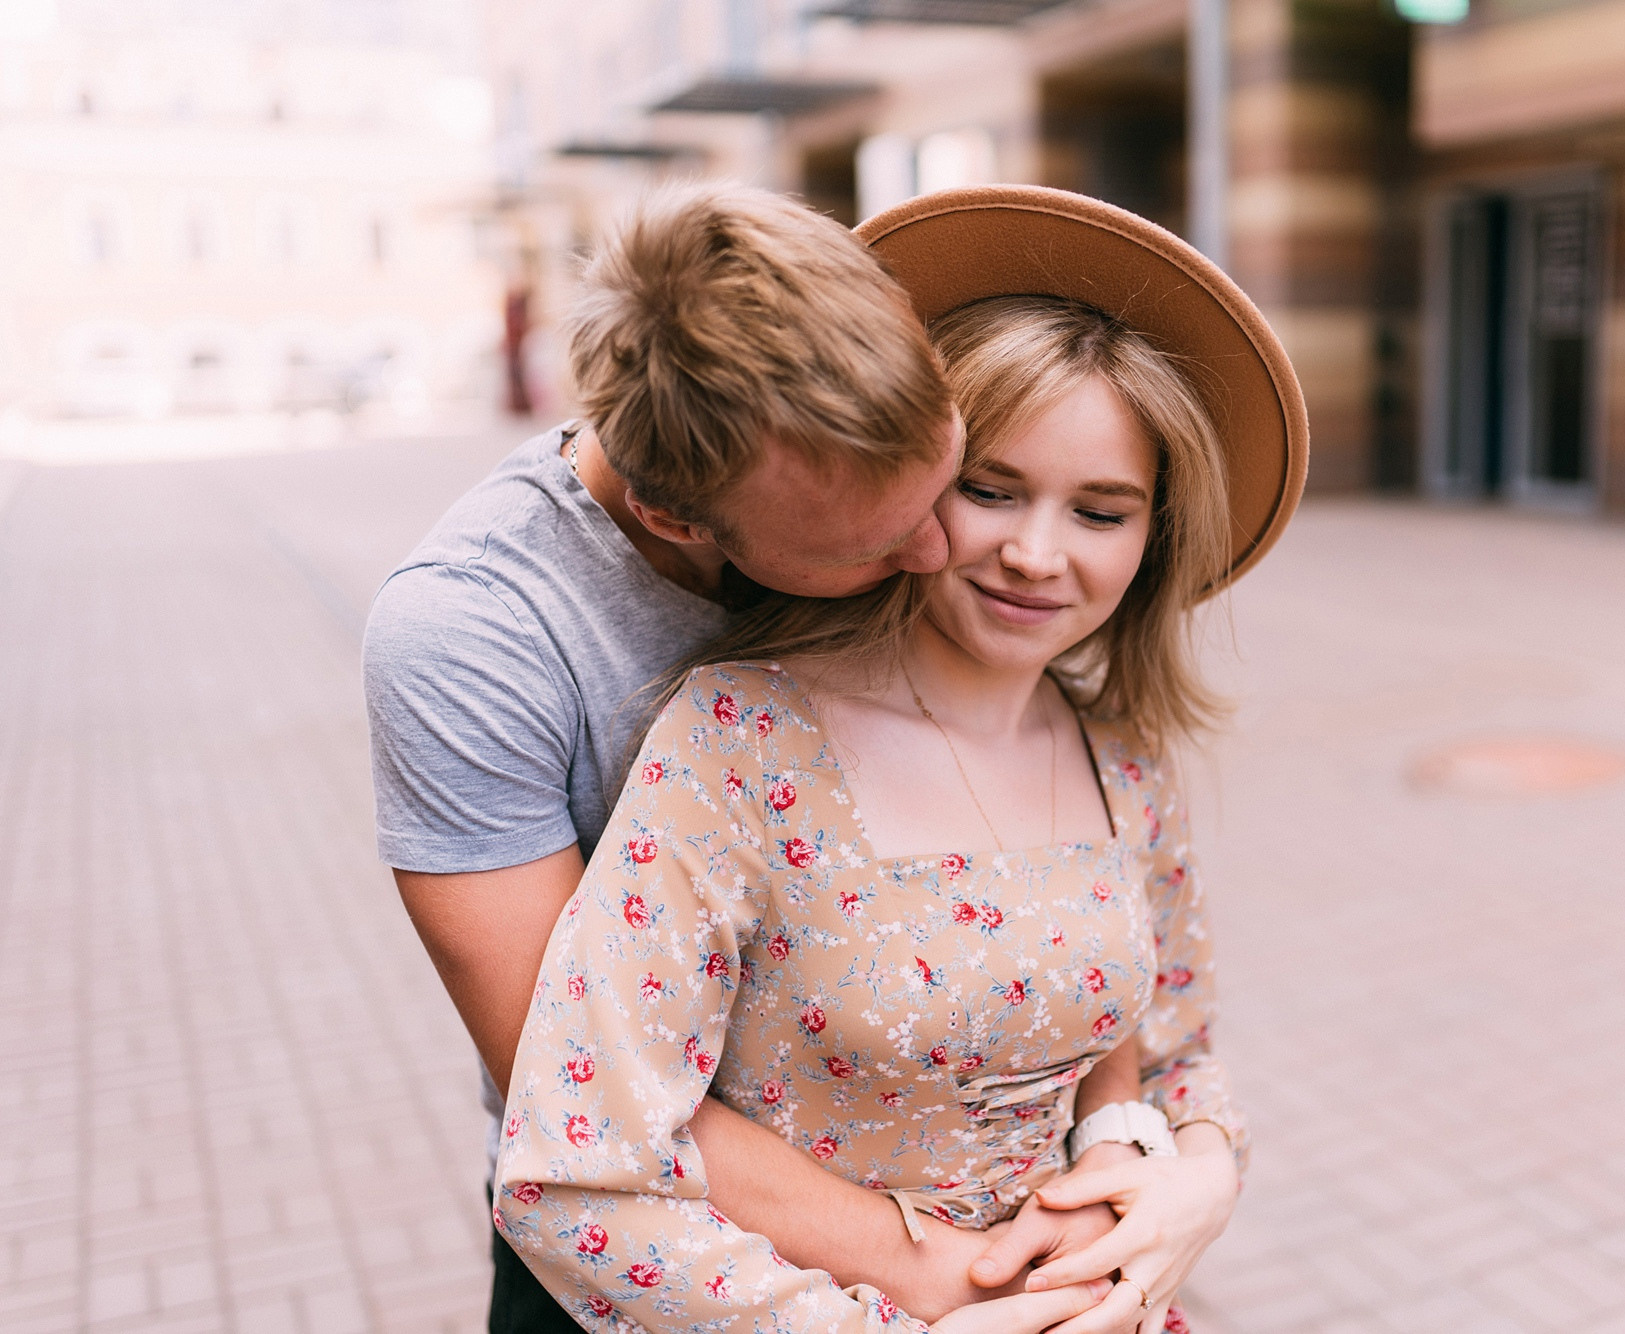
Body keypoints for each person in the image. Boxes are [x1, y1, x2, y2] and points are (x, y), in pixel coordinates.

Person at [492, 187, 1310, 1333]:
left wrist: (1196, 1177)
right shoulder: (738, 744)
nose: (1034, 554)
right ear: (915, 478)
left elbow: (1178, 1046)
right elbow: (574, 1172)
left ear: (1154, 533)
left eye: (1099, 511)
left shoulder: (1121, 756)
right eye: (991, 489)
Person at [366, 183, 1109, 1333]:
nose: (937, 549)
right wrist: (946, 1274)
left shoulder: (868, 478)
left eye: (947, 477)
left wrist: (1148, 1153)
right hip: (681, 1245)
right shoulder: (474, 637)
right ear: (677, 519)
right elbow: (575, 1083)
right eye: (869, 548)